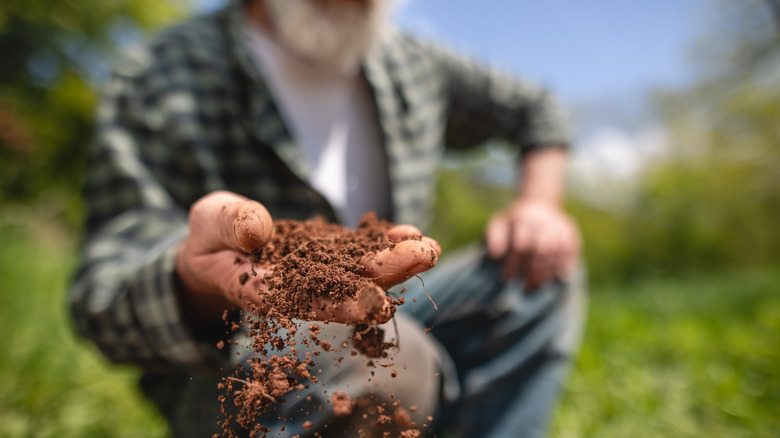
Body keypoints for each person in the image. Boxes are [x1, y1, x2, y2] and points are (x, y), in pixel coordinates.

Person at [69, 0, 586, 437]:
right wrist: (197, 277)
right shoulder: (163, 74)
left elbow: (537, 108)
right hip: (238, 356)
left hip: (395, 309)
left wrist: (538, 206)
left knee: (538, 271)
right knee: (390, 364)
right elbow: (101, 296)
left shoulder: (409, 60)